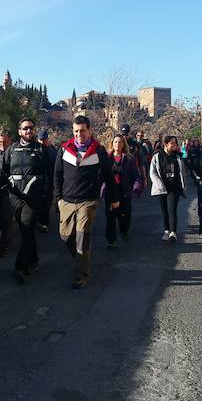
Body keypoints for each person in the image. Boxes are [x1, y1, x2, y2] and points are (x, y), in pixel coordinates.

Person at [54, 116, 118, 289]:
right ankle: (81, 260)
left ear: (89, 131)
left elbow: (109, 177)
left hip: (88, 201)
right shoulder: (64, 149)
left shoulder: (98, 151)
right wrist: (58, 198)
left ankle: (81, 275)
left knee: (82, 236)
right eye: (76, 131)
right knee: (66, 236)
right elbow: (57, 175)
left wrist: (113, 199)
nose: (79, 134)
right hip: (66, 200)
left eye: (82, 130)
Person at [0, 119, 50, 284]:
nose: (29, 131)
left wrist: (50, 194)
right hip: (15, 198)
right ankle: (33, 260)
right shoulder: (12, 150)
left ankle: (20, 267)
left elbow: (51, 172)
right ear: (19, 131)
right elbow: (2, 171)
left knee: (26, 228)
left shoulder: (40, 149)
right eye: (25, 128)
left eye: (31, 128)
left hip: (34, 199)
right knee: (27, 231)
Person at [102, 135, 143, 249]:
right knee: (110, 217)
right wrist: (101, 189)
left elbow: (136, 175)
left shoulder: (129, 159)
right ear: (112, 144)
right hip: (110, 192)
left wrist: (136, 187)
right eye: (115, 142)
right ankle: (111, 240)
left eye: (120, 142)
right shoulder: (106, 158)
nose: (117, 145)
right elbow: (100, 175)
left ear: (124, 145)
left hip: (124, 191)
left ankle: (124, 231)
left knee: (124, 216)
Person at [150, 135, 187, 243]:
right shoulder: (157, 156)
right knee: (164, 210)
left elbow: (182, 173)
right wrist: (159, 184)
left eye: (175, 143)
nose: (174, 145)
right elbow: (152, 172)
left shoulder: (178, 157)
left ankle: (173, 232)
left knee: (172, 209)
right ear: (165, 144)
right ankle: (166, 230)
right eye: (172, 143)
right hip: (161, 187)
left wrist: (183, 186)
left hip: (174, 187)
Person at [38, 130, 58, 233]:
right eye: (40, 140)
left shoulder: (52, 151)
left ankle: (44, 224)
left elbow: (56, 166)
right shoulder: (36, 150)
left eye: (44, 139)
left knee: (46, 204)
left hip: (49, 182)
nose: (42, 142)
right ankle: (41, 223)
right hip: (38, 183)